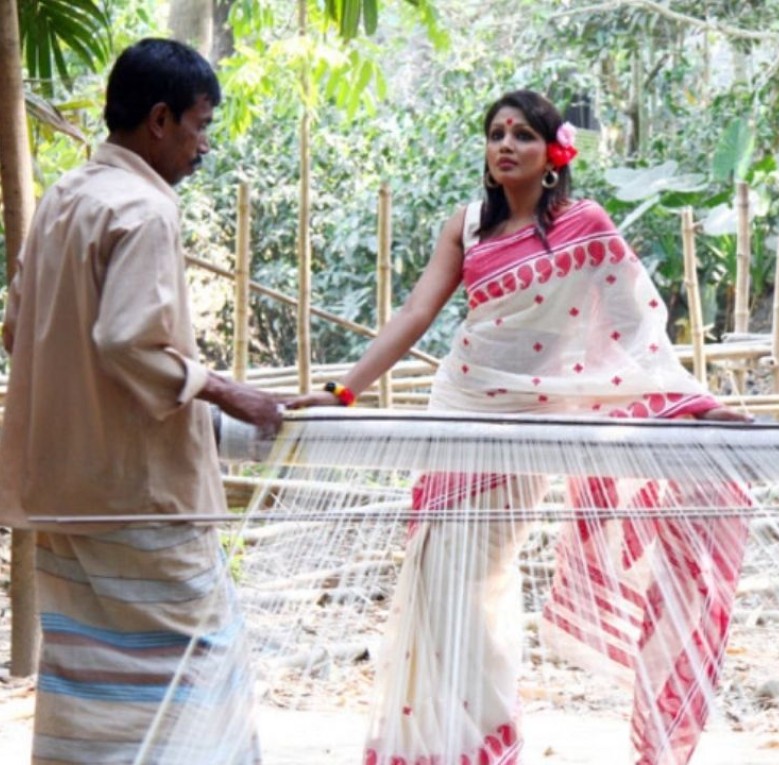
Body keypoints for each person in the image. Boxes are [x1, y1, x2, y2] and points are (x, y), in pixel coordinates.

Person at [287, 89, 749, 765]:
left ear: (553, 153)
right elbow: (416, 313)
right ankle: (453, 746)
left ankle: (486, 741)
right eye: (497, 133)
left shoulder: (587, 226)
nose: (506, 144)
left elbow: (636, 331)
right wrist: (342, 391)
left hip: (527, 425)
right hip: (458, 409)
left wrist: (693, 402)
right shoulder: (467, 224)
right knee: (435, 586)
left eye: (523, 134)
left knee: (476, 587)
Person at [0, 39, 281, 764]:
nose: (202, 145)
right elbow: (129, 341)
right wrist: (228, 391)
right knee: (200, 666)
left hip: (62, 492)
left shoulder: (64, 197)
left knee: (91, 679)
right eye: (200, 125)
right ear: (160, 120)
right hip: (140, 498)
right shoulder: (145, 208)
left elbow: (16, 330)